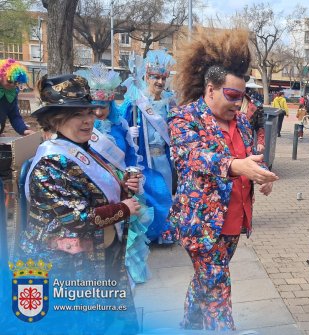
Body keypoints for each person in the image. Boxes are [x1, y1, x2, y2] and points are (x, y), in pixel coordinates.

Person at [167, 28, 278, 331]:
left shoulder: (241, 120)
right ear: (211, 89)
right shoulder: (184, 118)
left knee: (207, 278)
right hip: (202, 223)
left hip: (234, 222)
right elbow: (192, 157)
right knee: (217, 287)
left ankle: (189, 326)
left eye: (241, 98)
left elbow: (252, 154)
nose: (237, 105)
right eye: (231, 96)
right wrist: (237, 166)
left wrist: (262, 174)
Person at [19, 74, 139, 333]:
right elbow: (79, 217)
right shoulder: (49, 163)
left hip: (98, 257)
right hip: (68, 269)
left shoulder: (84, 148)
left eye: (89, 112)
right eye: (77, 114)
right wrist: (123, 209)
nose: (88, 120)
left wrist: (123, 186)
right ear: (55, 119)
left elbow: (100, 190)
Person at [75, 63, 152, 284]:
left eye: (104, 107)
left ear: (111, 104)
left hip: (122, 184)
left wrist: (133, 174)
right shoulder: (83, 129)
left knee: (130, 232)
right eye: (94, 107)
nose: (99, 113)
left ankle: (130, 273)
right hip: (97, 186)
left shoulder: (121, 126)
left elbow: (130, 156)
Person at [122, 49, 175, 243]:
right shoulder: (136, 101)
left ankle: (163, 234)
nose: (160, 82)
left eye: (163, 78)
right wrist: (129, 131)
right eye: (155, 77)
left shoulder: (170, 103)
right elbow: (120, 124)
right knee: (149, 196)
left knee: (164, 196)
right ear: (146, 76)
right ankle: (148, 235)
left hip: (163, 159)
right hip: (144, 158)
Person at [0, 58, 34, 136]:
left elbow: (14, 116)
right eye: (9, 80)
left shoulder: (12, 94)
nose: (12, 84)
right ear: (1, 76)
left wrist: (24, 130)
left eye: (16, 82)